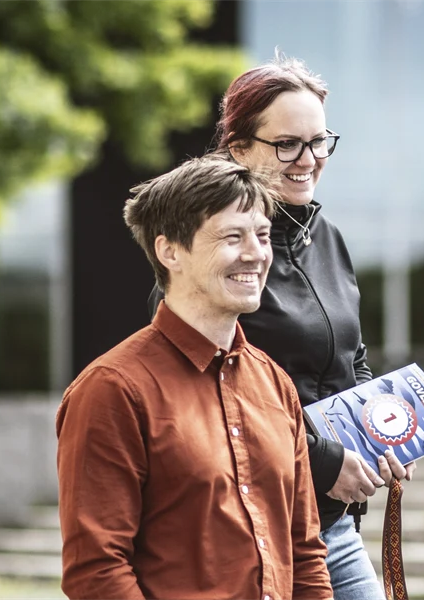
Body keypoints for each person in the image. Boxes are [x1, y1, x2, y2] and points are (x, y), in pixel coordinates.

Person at [149, 54, 408, 600]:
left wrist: (380, 435)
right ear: (238, 149)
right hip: (245, 524)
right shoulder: (209, 256)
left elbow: (350, 356)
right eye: (287, 144)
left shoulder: (328, 238)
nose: (307, 159)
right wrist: (324, 461)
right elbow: (199, 391)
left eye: (319, 142)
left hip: (330, 522)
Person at [57, 156, 330, 600]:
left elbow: (305, 554)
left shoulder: (275, 383)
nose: (256, 254)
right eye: (232, 237)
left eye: (261, 236)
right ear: (170, 252)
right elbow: (97, 572)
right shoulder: (112, 389)